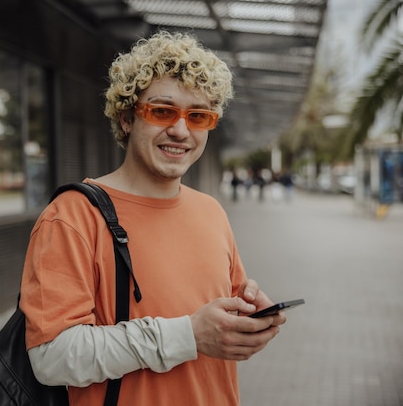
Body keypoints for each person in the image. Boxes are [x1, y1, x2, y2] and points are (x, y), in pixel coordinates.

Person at [19, 30, 285, 405]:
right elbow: (52, 358)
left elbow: (219, 318)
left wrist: (248, 319)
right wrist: (189, 334)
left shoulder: (211, 211)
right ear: (127, 118)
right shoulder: (71, 217)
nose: (180, 130)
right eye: (162, 111)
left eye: (198, 116)